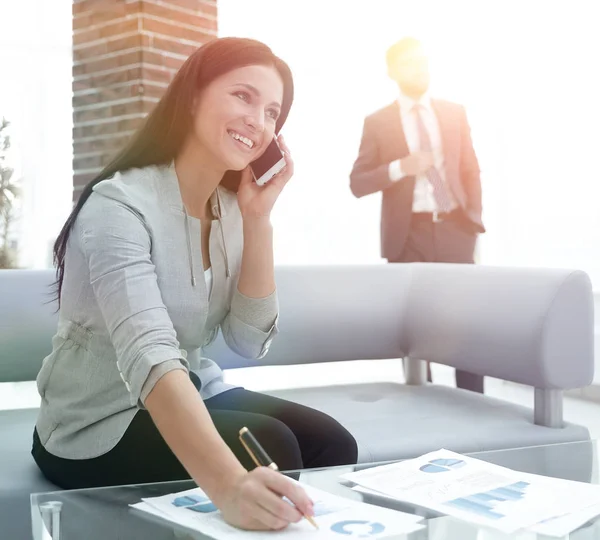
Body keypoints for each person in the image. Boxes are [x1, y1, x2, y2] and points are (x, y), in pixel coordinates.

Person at [32, 37, 358, 531]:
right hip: (95, 421)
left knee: (332, 443)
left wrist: (257, 217)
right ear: (192, 97)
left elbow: (248, 341)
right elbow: (150, 354)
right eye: (243, 96)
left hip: (192, 387)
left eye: (272, 112)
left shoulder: (229, 209)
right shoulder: (118, 206)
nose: (259, 121)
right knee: (274, 448)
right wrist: (228, 486)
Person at [349, 37, 485, 393]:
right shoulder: (377, 121)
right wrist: (400, 167)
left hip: (455, 228)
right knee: (416, 330)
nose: (420, 69)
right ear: (391, 71)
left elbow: (470, 169)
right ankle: (421, 400)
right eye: (410, 63)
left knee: (467, 326)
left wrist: (473, 222)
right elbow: (357, 182)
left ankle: (474, 403)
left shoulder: (454, 112)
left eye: (423, 62)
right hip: (408, 236)